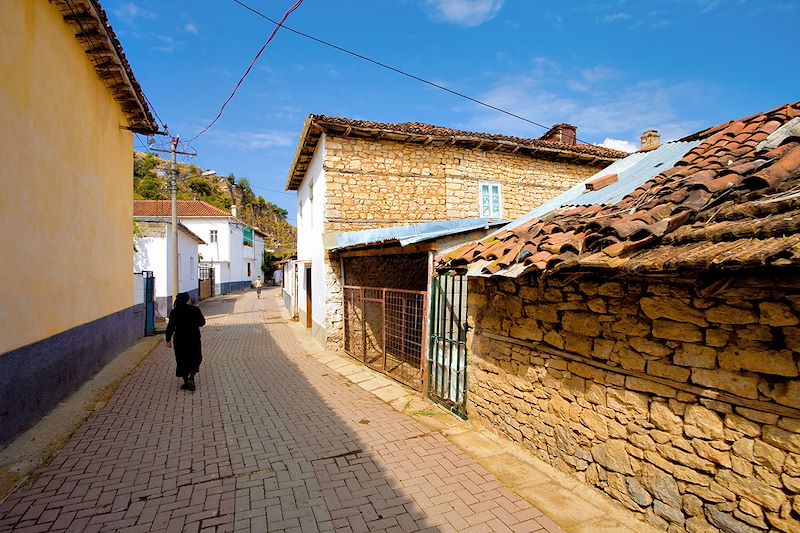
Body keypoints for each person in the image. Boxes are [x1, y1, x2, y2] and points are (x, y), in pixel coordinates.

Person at [165, 292, 206, 392]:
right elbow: (202, 322)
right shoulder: (195, 310)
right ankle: (191, 378)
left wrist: (168, 340)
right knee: (195, 357)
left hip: (179, 339)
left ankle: (186, 380)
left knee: (181, 359)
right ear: (187, 300)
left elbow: (170, 327)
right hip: (194, 338)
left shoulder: (174, 312)